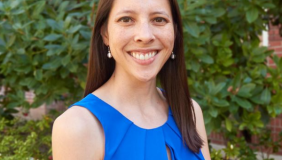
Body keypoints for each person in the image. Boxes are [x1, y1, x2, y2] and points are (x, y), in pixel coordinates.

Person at [52, 0, 211, 159]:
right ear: (105, 33)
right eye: (126, 19)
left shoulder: (189, 111)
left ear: (175, 32)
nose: (145, 36)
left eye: (159, 19)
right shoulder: (77, 127)